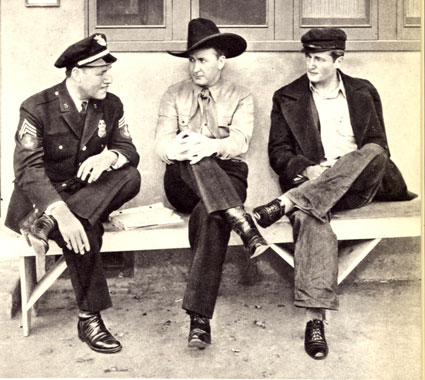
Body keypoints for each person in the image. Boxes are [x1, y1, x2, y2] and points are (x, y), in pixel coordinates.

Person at [252, 28, 414, 360]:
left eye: (320, 59)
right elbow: (278, 152)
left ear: (338, 60)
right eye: (308, 57)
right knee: (311, 216)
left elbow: (378, 148)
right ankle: (315, 321)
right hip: (314, 183)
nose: (311, 65)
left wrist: (336, 170)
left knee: (374, 152)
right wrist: (309, 171)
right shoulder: (287, 96)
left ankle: (287, 203)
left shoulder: (362, 91)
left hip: (358, 184)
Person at [5, 34, 141, 354]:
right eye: (100, 72)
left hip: (83, 195)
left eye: (109, 70)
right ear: (76, 74)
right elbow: (27, 171)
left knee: (130, 177)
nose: (109, 77)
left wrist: (108, 157)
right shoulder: (37, 107)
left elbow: (128, 150)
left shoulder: (111, 104)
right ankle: (89, 318)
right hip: (41, 199)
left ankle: (51, 225)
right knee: (85, 227)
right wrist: (60, 211)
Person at [155, 18, 269, 349]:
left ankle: (199, 320)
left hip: (228, 175)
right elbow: (160, 143)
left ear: (221, 61)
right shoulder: (173, 94)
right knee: (193, 157)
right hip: (182, 180)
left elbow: (241, 142)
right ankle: (242, 221)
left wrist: (212, 146)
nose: (195, 68)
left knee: (211, 214)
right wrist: (176, 148)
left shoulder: (241, 95)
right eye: (191, 60)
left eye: (202, 60)